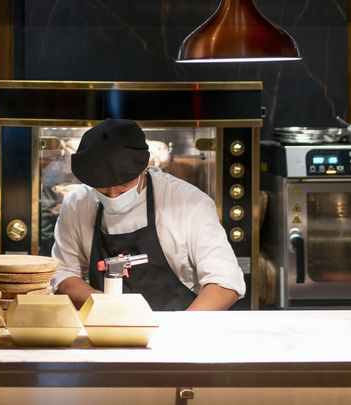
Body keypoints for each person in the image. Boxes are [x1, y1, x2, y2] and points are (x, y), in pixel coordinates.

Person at [50, 117, 245, 311]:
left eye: (123, 187)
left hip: (181, 327)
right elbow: (64, 275)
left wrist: (184, 327)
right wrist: (108, 306)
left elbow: (224, 282)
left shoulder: (190, 203)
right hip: (106, 325)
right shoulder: (77, 204)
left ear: (144, 167)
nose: (113, 196)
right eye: (103, 190)